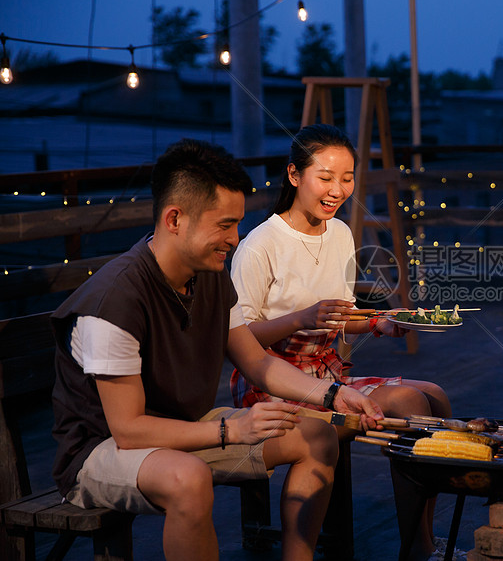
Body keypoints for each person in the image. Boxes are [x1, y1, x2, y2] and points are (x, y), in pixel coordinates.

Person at [50, 138, 383, 561]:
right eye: (225, 225)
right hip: (102, 449)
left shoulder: (208, 276)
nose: (235, 238)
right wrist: (231, 430)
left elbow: (257, 361)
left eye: (238, 224)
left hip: (183, 425)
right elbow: (129, 430)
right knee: (188, 478)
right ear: (175, 219)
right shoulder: (115, 300)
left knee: (316, 435)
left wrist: (334, 395)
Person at [228, 124, 452, 560]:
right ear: (294, 176)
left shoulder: (341, 234)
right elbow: (239, 339)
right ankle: (418, 549)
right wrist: (300, 318)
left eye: (346, 178)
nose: (337, 190)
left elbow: (340, 318)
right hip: (270, 380)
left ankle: (421, 544)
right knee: (410, 403)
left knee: (437, 399)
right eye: (325, 178)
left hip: (325, 369)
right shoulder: (260, 246)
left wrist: (378, 324)